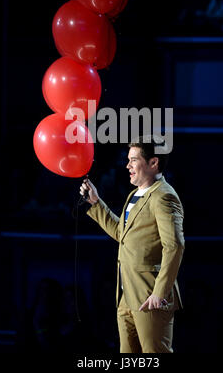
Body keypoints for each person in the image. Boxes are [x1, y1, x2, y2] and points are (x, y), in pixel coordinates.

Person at [80, 136, 185, 353]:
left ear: (153, 163)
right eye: (128, 160)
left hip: (150, 297)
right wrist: (95, 203)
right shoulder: (134, 195)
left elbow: (174, 246)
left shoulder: (164, 197)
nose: (127, 165)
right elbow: (123, 234)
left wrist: (159, 292)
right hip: (127, 296)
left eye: (133, 160)